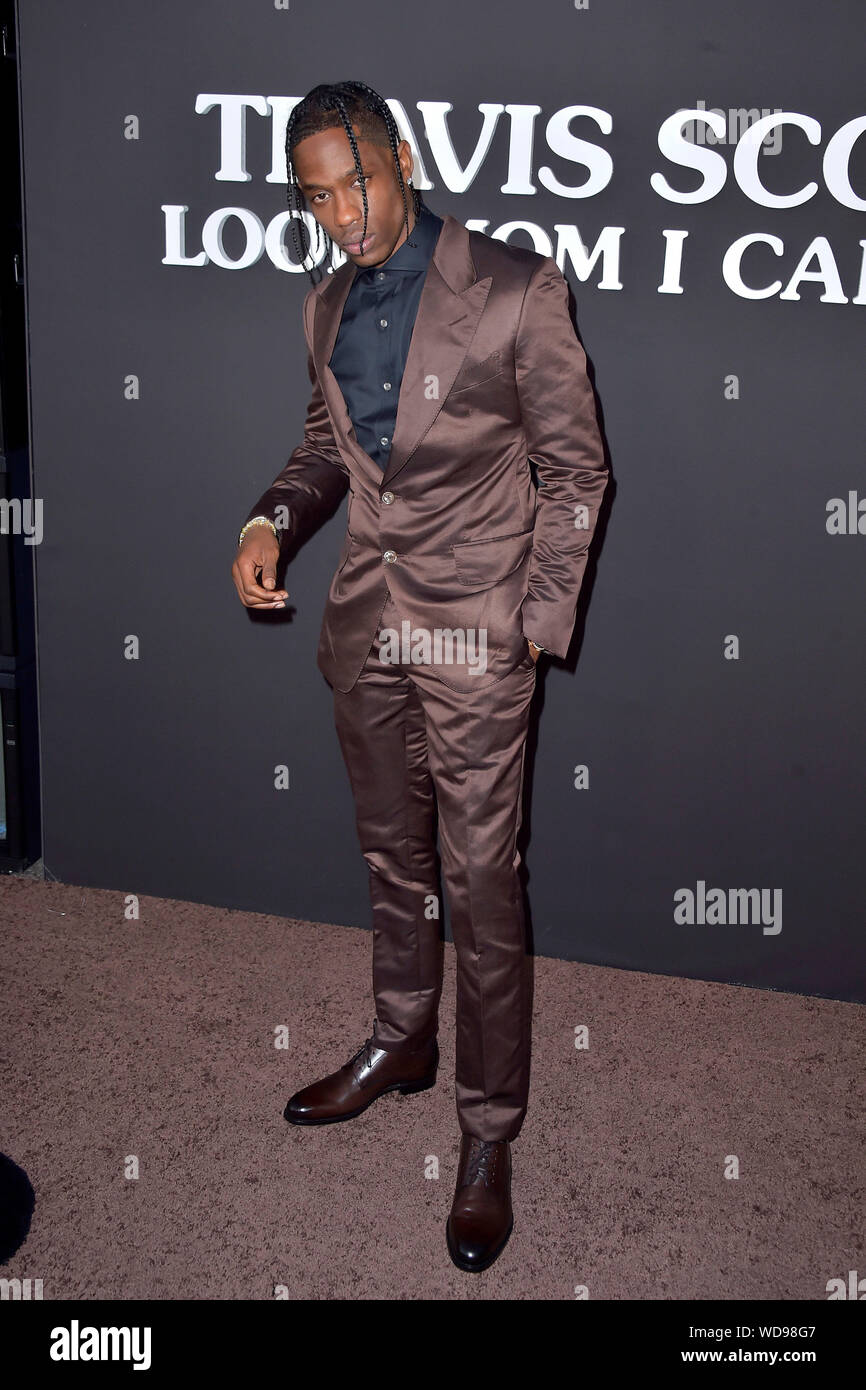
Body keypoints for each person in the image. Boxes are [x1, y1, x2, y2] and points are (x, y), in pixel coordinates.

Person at [231, 79, 608, 1274]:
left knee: (479, 885)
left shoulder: (512, 290)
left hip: (475, 637)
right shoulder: (325, 302)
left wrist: (528, 629)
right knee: (393, 858)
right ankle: (401, 1039)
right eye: (316, 195)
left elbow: (577, 473)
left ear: (401, 158)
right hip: (368, 630)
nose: (340, 212)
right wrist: (269, 521)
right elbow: (324, 446)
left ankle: (489, 1134)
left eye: (356, 182)